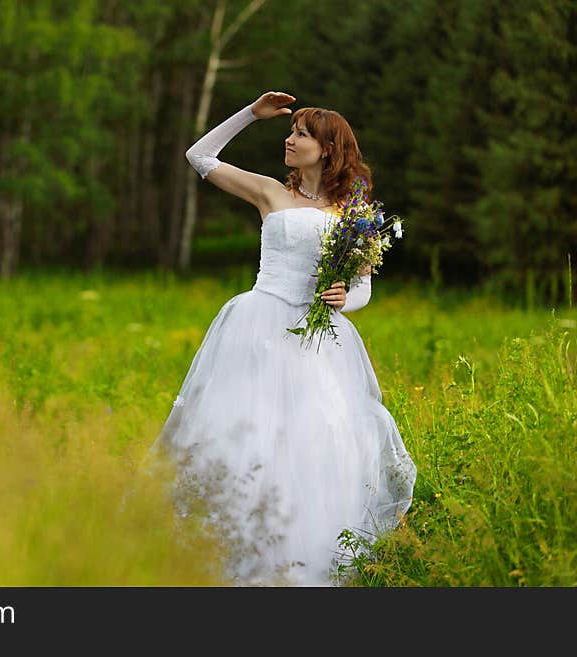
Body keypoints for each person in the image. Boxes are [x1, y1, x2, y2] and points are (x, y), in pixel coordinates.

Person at [146, 91, 417, 586]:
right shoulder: (270, 192)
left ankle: (301, 566)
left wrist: (343, 299)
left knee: (315, 443)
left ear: (328, 149)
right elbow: (199, 156)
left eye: (300, 135)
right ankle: (232, 561)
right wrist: (251, 114)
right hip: (259, 327)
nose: (289, 140)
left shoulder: (352, 212)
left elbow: (362, 288)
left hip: (317, 343)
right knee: (249, 438)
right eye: (290, 133)